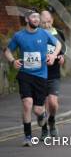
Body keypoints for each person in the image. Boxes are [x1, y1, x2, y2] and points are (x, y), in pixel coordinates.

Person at [4, 8, 62, 146]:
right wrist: (13, 61)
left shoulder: (44, 34)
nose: (36, 19)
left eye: (37, 17)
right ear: (26, 19)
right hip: (25, 74)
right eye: (33, 17)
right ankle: (28, 136)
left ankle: (42, 116)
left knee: (37, 109)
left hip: (41, 76)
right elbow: (7, 51)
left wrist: (53, 55)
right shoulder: (19, 36)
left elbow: (58, 44)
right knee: (27, 103)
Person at [39, 10, 66, 140]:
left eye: (49, 21)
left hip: (54, 73)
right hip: (38, 73)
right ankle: (44, 129)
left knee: (53, 103)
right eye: (43, 22)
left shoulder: (58, 33)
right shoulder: (36, 34)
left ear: (52, 21)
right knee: (42, 105)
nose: (47, 24)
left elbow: (63, 50)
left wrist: (61, 56)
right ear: (40, 22)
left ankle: (52, 120)